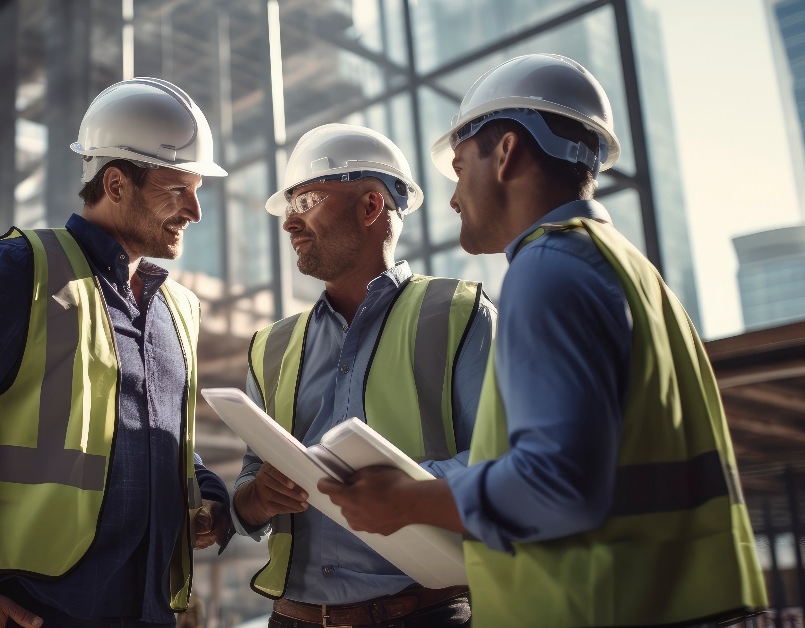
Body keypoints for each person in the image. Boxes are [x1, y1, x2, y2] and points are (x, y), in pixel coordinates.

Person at [317, 54, 767, 627]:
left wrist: (404, 499)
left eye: (459, 168)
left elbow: (556, 483)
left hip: (593, 605)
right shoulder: (631, 272)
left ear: (506, 152)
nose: (453, 198)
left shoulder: (547, 266)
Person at [0, 77, 234, 628]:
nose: (194, 211)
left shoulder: (176, 310)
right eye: (177, 189)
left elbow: (158, 439)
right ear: (115, 183)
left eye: (197, 190)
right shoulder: (20, 271)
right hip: (38, 611)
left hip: (150, 612)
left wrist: (208, 493)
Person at [230, 123, 496, 627]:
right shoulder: (272, 347)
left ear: (371, 207)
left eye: (305, 202)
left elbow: (502, 464)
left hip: (425, 615)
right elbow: (247, 486)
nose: (289, 223)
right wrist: (257, 498)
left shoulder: (458, 315)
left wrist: (403, 491)